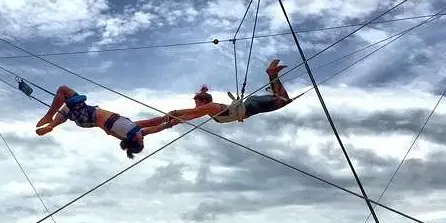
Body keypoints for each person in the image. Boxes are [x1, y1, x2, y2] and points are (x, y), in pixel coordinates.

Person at [136, 58, 293, 130]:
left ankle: (272, 74)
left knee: (284, 100)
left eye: (197, 101)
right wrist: (141, 127)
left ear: (203, 101)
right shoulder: (208, 110)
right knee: (281, 98)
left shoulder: (210, 107)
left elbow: (186, 113)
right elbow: (183, 117)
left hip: (251, 107)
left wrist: (174, 114)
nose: (195, 104)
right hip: (250, 105)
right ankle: (272, 74)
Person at [35, 85, 170, 158]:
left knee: (63, 90)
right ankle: (52, 125)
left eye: (142, 140)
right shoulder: (127, 132)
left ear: (136, 139)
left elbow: (152, 123)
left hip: (88, 115)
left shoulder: (131, 130)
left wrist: (168, 120)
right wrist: (168, 122)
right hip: (86, 120)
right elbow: (153, 127)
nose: (143, 137)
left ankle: (49, 117)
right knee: (65, 109)